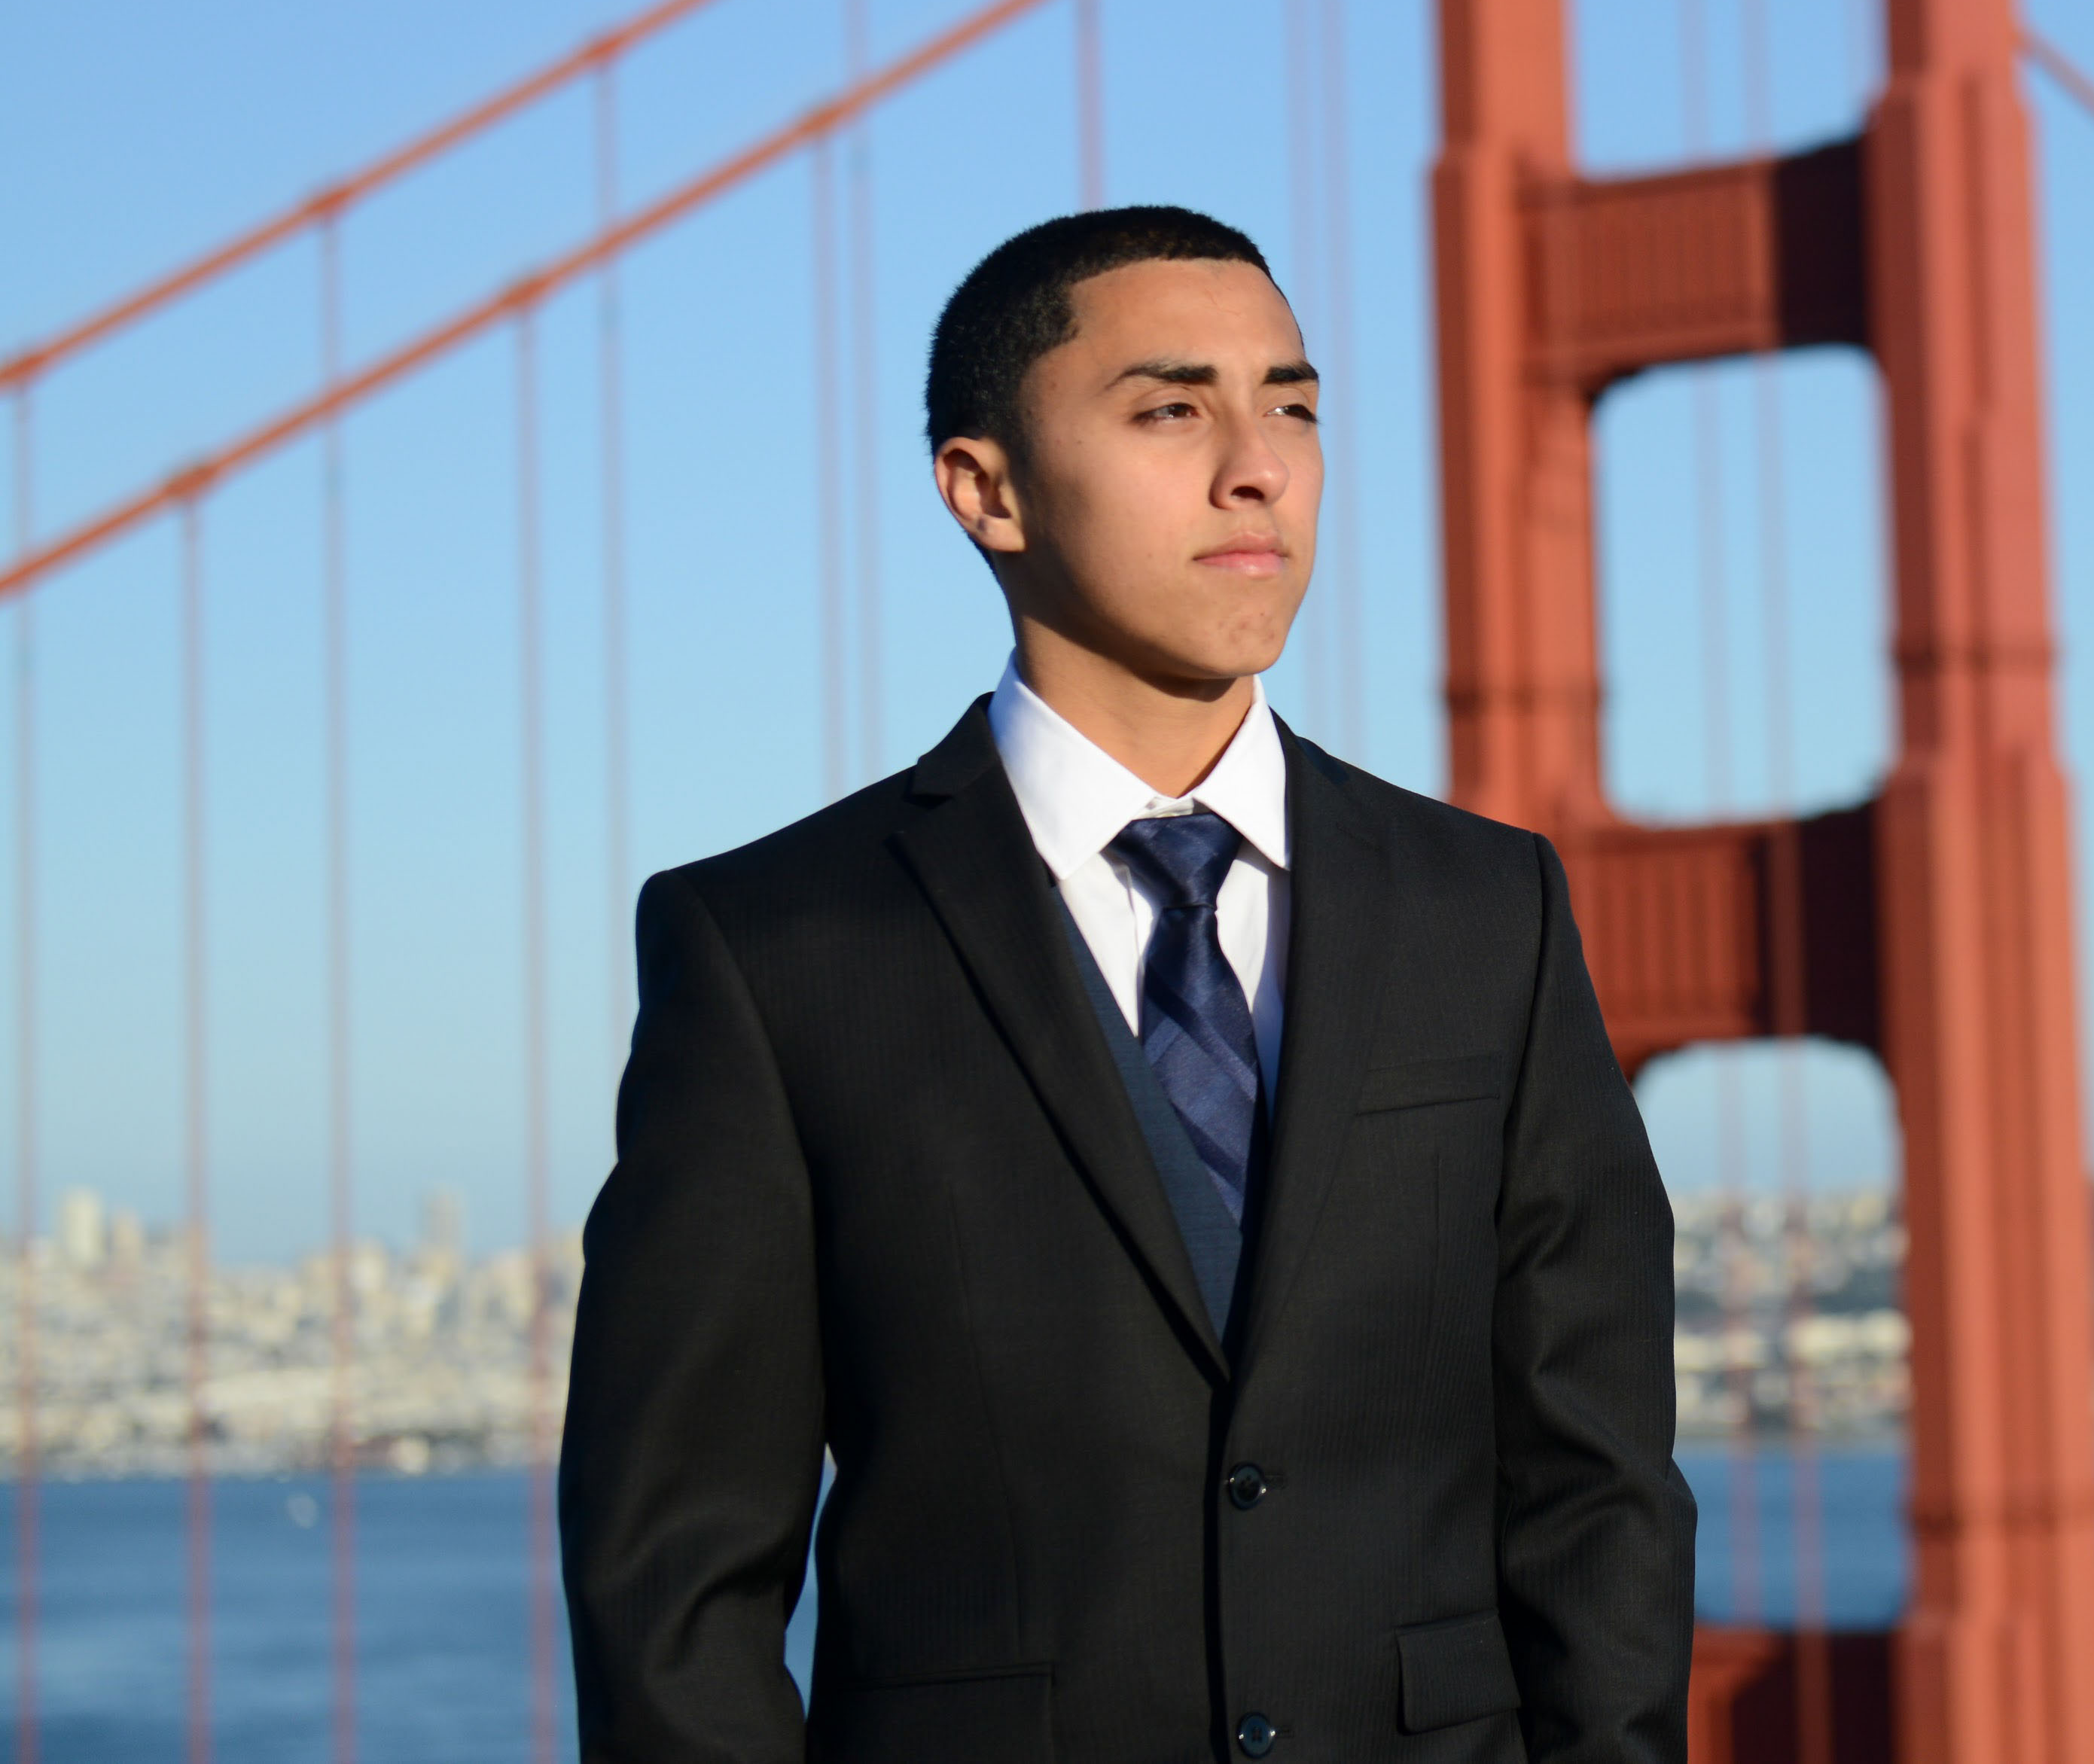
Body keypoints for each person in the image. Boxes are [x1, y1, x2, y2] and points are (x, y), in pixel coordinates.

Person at [559, 206, 1692, 1764]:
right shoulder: (772, 947)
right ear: (987, 487)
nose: (1260, 463)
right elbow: (675, 1576)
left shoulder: (1487, 906)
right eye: (1173, 406)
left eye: (1291, 404)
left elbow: (1598, 1480)